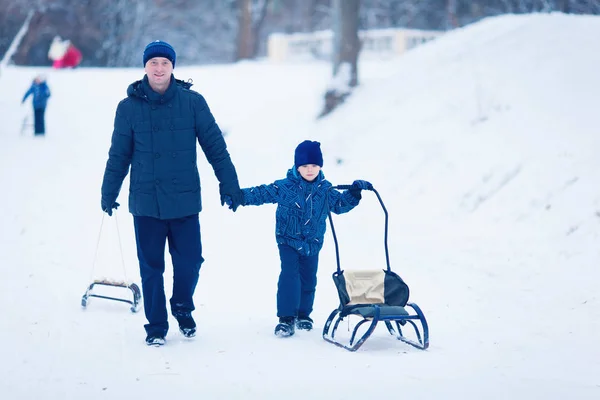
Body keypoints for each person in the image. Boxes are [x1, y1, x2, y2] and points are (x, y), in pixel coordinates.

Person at [100, 40, 243, 347]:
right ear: (145, 67)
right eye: (154, 63)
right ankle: (156, 325)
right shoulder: (128, 108)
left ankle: (182, 305)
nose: (159, 68)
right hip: (146, 202)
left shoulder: (193, 102)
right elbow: (118, 155)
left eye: (165, 63)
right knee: (151, 268)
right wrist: (109, 190)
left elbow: (215, 146)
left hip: (184, 200)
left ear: (173, 67)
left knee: (191, 261)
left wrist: (229, 183)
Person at [230, 140, 372, 337]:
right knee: (290, 275)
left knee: (308, 279)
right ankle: (286, 318)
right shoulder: (286, 187)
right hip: (288, 239)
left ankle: (304, 315)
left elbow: (339, 205)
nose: (310, 170)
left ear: (320, 166)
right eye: (305, 166)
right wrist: (239, 197)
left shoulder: (325, 189)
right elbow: (262, 193)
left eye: (314, 165)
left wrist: (353, 193)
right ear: (297, 166)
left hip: (313, 242)